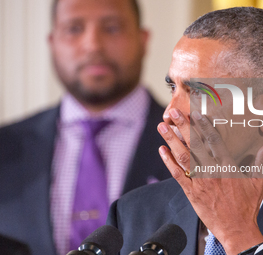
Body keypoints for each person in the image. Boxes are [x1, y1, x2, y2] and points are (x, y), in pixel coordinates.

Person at [108, 7, 263, 255]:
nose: (169, 113)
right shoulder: (132, 213)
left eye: (198, 92)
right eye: (172, 87)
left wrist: (238, 235)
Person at [0, 0, 171, 254]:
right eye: (74, 28)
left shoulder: (197, 145)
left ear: (143, 39)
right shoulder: (6, 147)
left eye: (112, 28)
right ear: (52, 43)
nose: (93, 45)